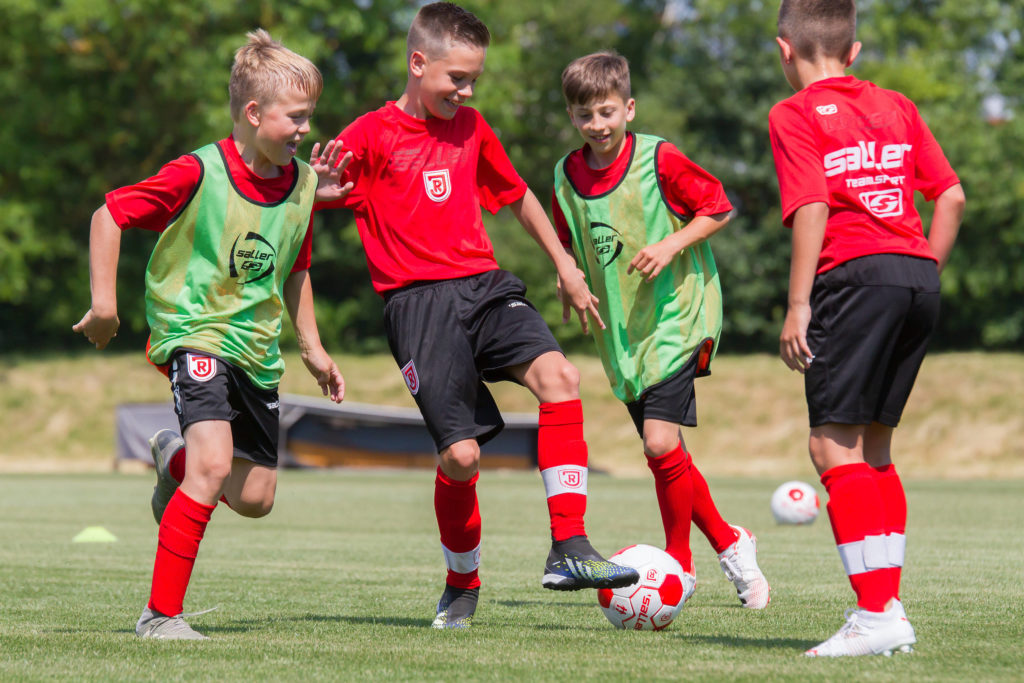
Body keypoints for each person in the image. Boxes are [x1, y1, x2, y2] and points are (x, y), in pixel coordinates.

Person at [315, 2, 639, 629]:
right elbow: (301, 193)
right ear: (418, 63)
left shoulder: (472, 127)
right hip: (416, 305)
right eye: (456, 78)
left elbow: (517, 195)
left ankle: (570, 546)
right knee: (461, 458)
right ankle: (462, 584)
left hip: (485, 287)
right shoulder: (370, 134)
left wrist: (566, 265)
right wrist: (315, 190)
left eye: (473, 80)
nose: (465, 92)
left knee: (561, 378)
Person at [73, 29, 354, 640]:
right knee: (213, 464)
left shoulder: (304, 185)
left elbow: (296, 266)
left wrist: (312, 347)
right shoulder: (197, 171)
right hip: (194, 332)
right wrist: (104, 305)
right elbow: (109, 215)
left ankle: (172, 459)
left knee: (255, 498)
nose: (306, 128)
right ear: (253, 114)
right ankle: (160, 616)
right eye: (295, 116)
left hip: (256, 348)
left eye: (309, 115)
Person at [770, 0, 965, 657]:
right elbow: (951, 196)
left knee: (831, 446)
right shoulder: (897, 105)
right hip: (916, 275)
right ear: (854, 52)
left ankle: (875, 612)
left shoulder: (792, 112)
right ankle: (889, 606)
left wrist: (798, 304)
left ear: (784, 50)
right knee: (875, 448)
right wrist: (918, 270)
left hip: (853, 279)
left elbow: (812, 205)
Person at [552, 51, 771, 610]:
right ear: (572, 116)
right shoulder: (565, 176)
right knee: (668, 454)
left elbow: (718, 209)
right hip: (623, 336)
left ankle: (680, 564)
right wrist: (567, 275)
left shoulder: (659, 158)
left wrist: (672, 243)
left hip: (678, 317)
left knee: (658, 443)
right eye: (584, 115)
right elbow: (567, 241)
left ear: (628, 108)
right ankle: (730, 542)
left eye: (606, 112)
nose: (596, 125)